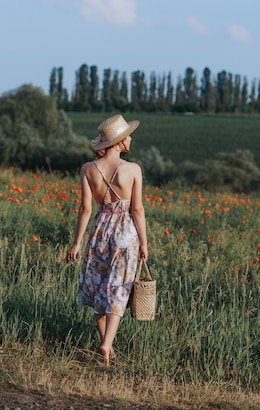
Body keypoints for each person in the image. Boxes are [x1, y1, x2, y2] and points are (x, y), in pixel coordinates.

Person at [66, 114, 148, 366]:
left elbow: (85, 209)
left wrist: (77, 243)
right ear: (120, 142)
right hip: (125, 232)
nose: (131, 138)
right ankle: (107, 344)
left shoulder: (88, 169)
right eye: (127, 136)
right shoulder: (133, 169)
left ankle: (106, 348)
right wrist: (144, 242)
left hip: (100, 229)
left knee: (99, 287)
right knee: (119, 287)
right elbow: (137, 210)